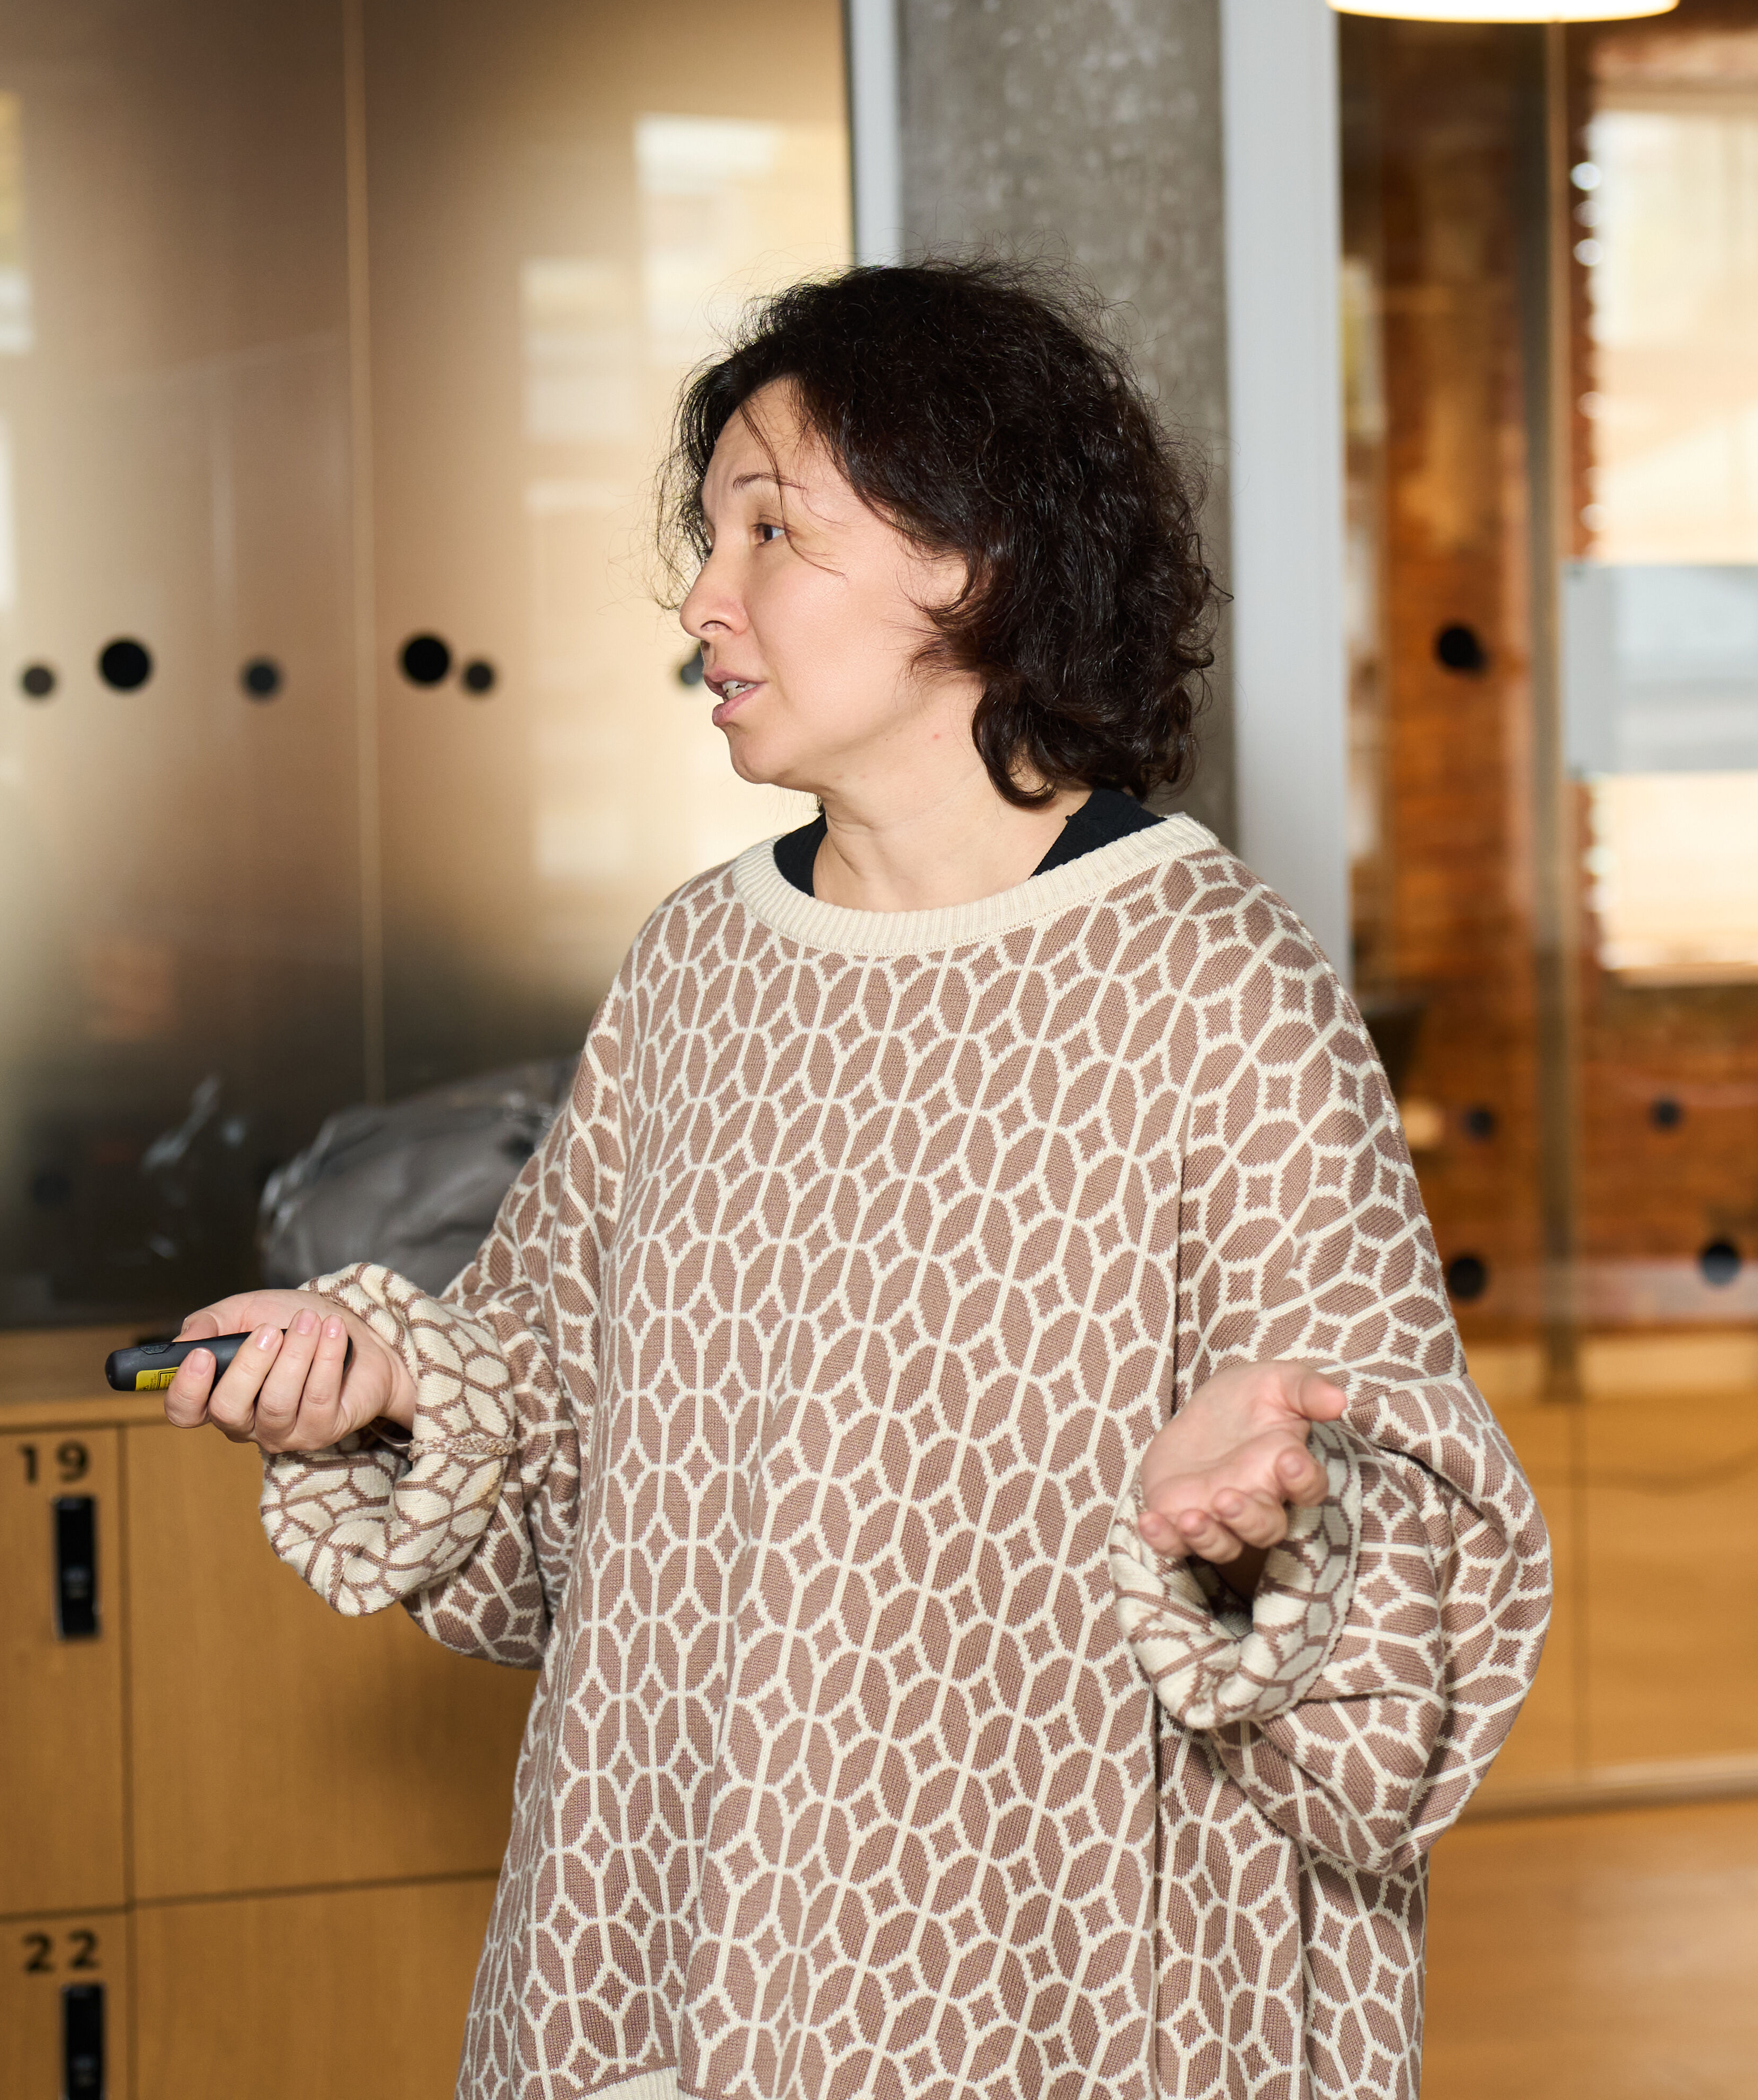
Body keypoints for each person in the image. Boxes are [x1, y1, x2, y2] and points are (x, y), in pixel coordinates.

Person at [145, 262, 1552, 2100]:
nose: (700, 598)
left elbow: (1406, 1619)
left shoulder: (1211, 983)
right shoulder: (695, 968)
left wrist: (1267, 1516)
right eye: (707, 535)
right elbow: (548, 1437)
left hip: (1067, 1965)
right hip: (682, 1918)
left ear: (975, 560)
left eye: (769, 529)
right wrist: (387, 1387)